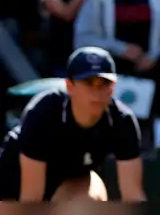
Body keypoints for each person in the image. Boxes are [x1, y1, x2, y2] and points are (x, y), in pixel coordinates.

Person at [0, 47, 144, 202]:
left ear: (113, 88)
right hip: (16, 180)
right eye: (88, 83)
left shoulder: (123, 120)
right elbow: (31, 198)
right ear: (70, 86)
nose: (96, 92)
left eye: (104, 84)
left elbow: (133, 195)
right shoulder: (42, 113)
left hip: (71, 181)